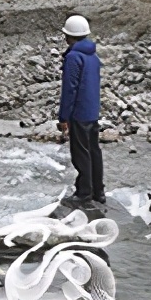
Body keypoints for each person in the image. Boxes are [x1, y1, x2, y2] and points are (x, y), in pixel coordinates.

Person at [56, 15, 104, 206]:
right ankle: (98, 191)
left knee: (81, 154)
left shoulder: (74, 57)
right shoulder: (93, 55)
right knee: (94, 151)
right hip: (92, 112)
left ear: (68, 36)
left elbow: (70, 89)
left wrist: (63, 117)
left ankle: (84, 193)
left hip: (78, 112)